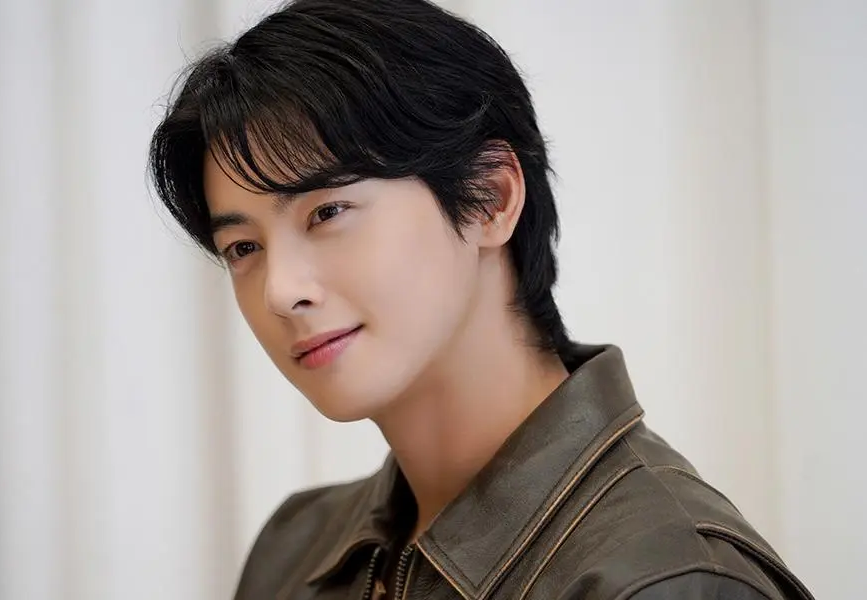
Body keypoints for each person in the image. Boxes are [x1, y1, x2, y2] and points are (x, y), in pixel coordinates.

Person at [148, 1, 813, 598]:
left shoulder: (666, 579)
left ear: (490, 198)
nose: (281, 291)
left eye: (327, 212)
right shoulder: (294, 552)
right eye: (243, 247)